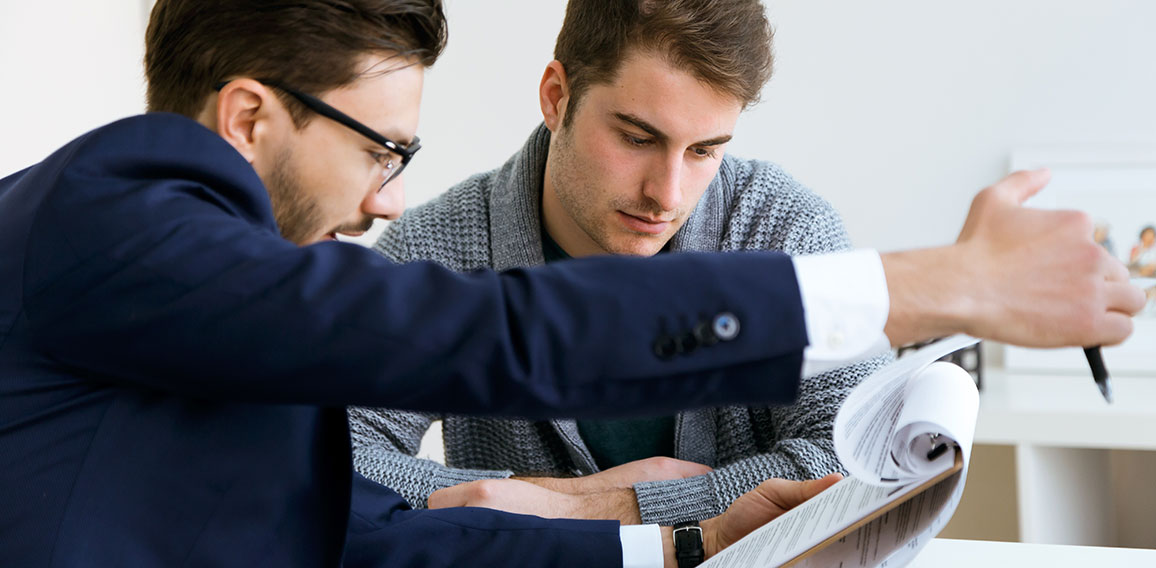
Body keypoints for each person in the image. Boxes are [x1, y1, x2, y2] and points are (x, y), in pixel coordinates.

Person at [0, 1, 1143, 567]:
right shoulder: (113, 206)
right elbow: (486, 334)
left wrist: (677, 536)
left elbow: (365, 529)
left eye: (705, 151)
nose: (389, 199)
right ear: (249, 118)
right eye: (378, 149)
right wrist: (940, 283)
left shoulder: (205, 303)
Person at [350, 0, 890, 528]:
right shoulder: (439, 249)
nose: (668, 194)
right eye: (637, 138)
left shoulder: (783, 229)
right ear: (556, 97)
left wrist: (593, 508)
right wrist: (562, 495)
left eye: (704, 150)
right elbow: (333, 456)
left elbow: (861, 459)